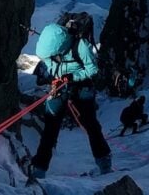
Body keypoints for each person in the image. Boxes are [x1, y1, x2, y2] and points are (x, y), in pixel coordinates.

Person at [30, 20, 112, 180]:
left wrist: (73, 77)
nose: (50, 59)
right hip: (60, 88)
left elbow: (92, 69)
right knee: (50, 131)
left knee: (91, 126)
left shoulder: (81, 46)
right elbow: (51, 67)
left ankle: (105, 165)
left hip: (81, 89)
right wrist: (59, 79)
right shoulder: (48, 51)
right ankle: (38, 170)